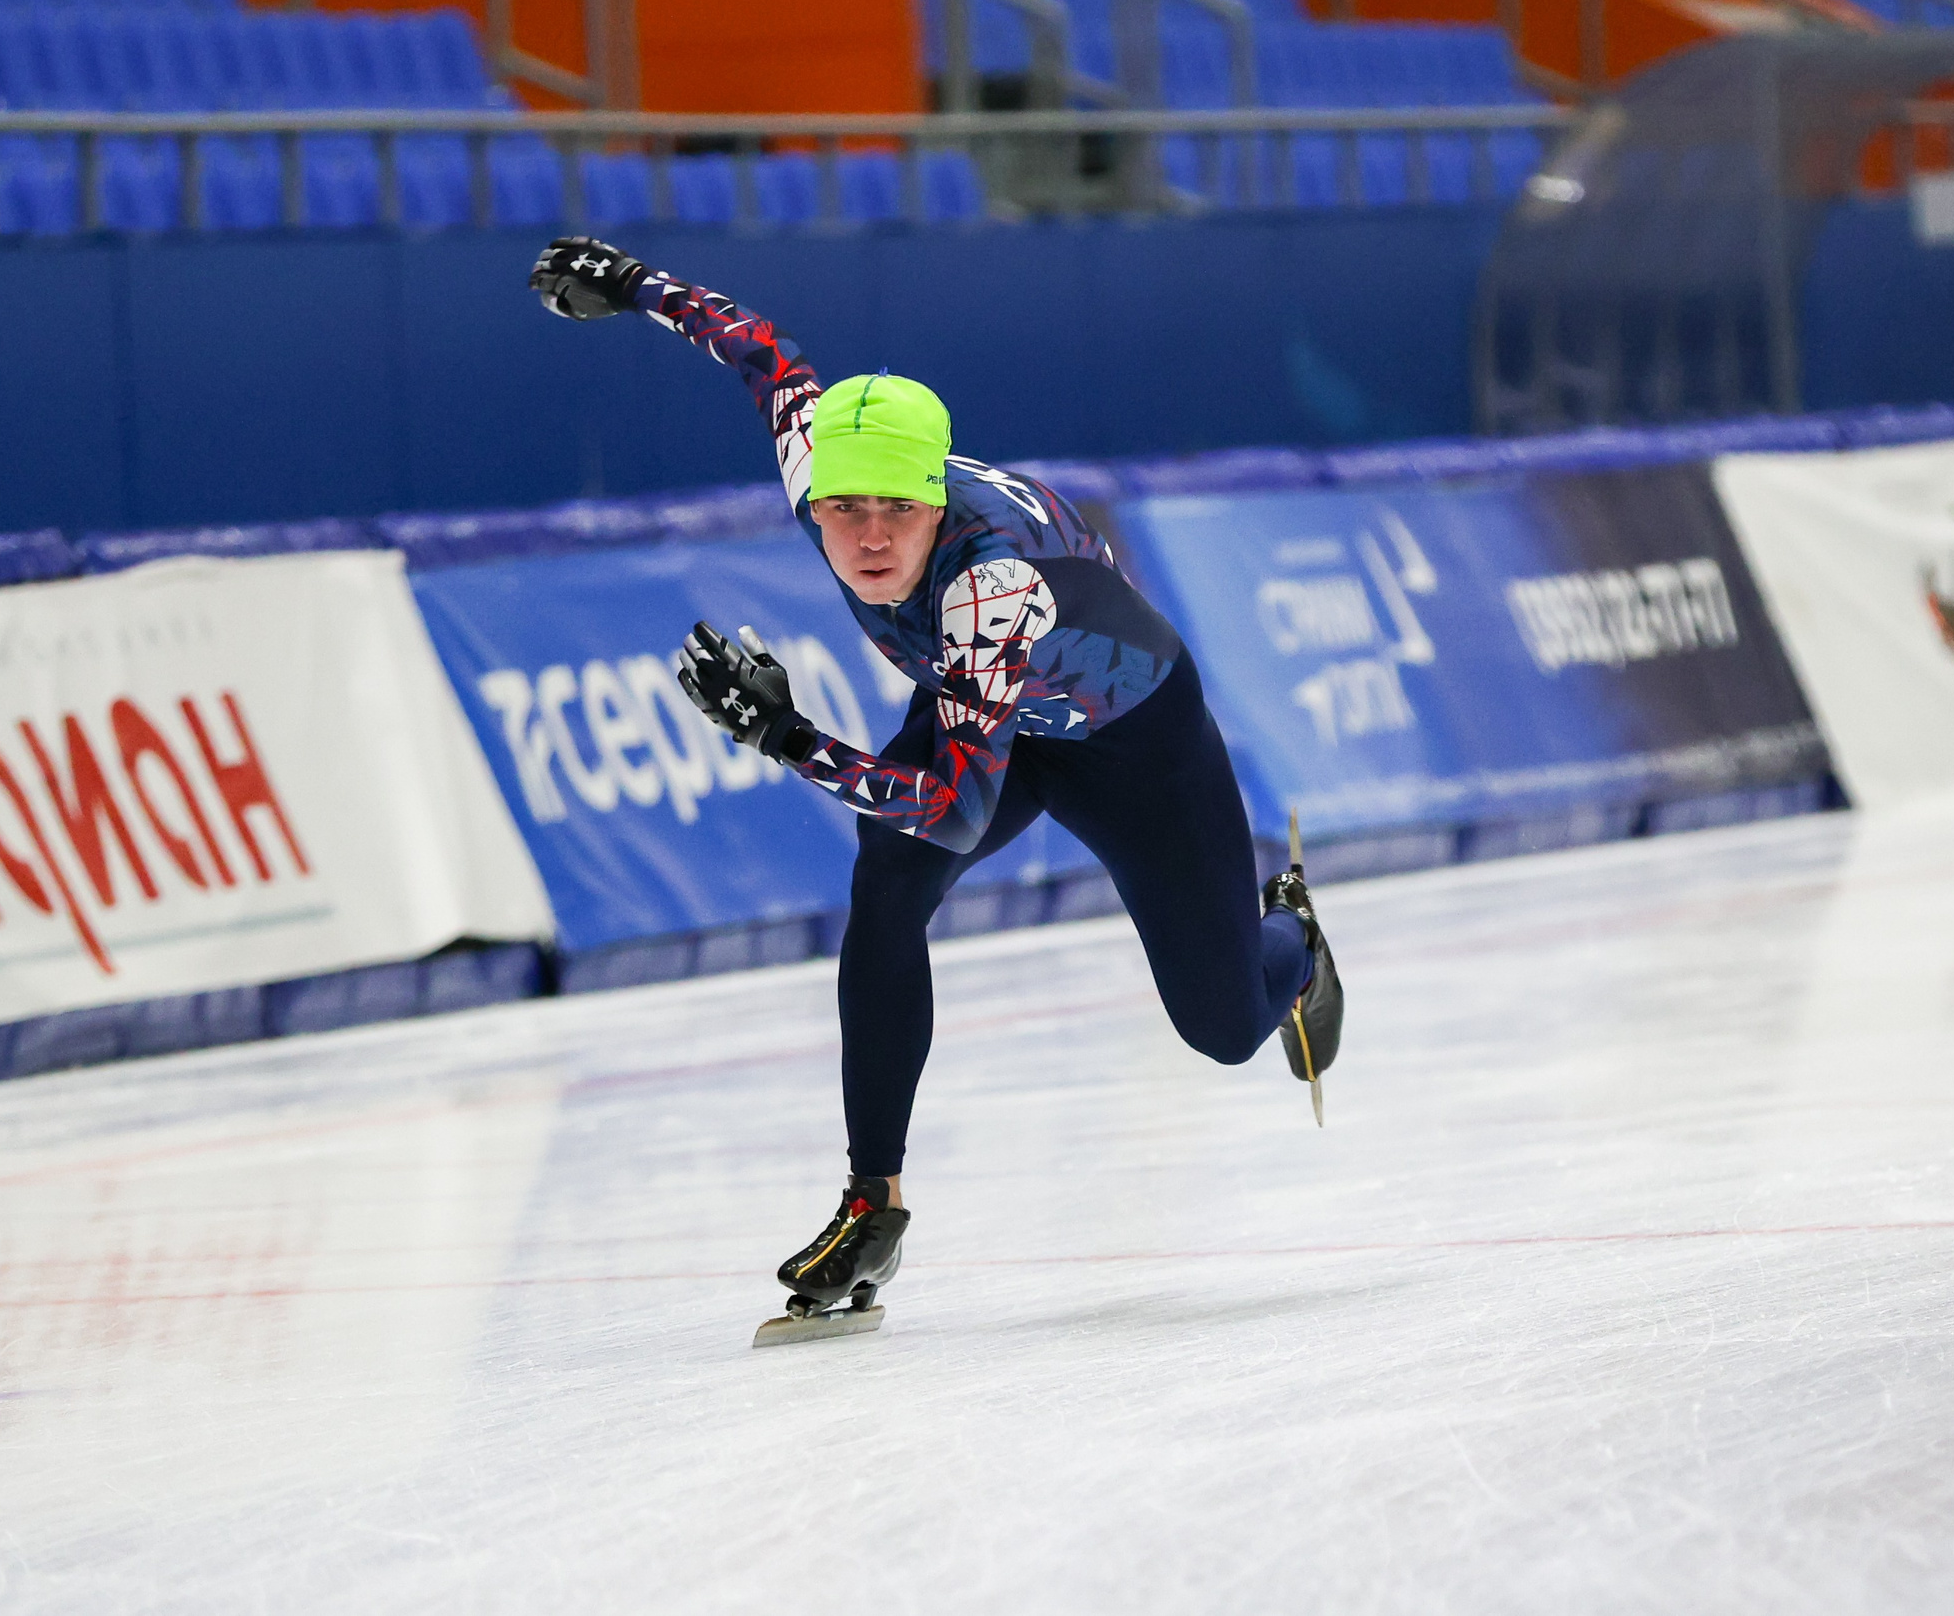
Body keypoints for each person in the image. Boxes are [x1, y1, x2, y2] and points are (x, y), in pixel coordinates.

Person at [528, 236, 1344, 1330]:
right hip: (978, 697)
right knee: (885, 887)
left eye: (895, 515)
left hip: (1129, 744)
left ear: (934, 501)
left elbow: (955, 808)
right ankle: (874, 1200)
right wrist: (629, 285)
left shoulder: (988, 583)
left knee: (1225, 1028)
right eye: (843, 511)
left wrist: (790, 739)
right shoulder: (816, 455)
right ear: (812, 488)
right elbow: (757, 349)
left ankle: (1288, 948)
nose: (865, 539)